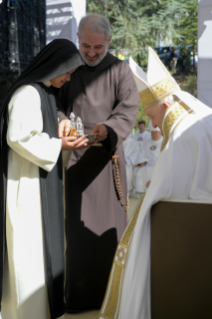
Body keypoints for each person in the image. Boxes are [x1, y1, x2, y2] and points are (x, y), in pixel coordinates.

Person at [99, 48, 212, 319]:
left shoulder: (182, 131)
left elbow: (164, 189)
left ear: (164, 104)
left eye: (151, 115)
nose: (154, 123)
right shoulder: (197, 117)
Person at [0, 39, 88, 319]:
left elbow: (41, 135)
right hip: (26, 191)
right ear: (56, 65)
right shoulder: (28, 93)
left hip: (38, 187)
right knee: (29, 259)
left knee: (40, 258)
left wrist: (60, 134)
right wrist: (60, 146)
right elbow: (18, 137)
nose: (68, 77)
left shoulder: (45, 93)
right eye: (68, 71)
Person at [57, 13, 138, 313]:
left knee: (109, 239)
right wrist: (63, 122)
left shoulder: (120, 71)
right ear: (78, 39)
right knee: (78, 242)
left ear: (108, 42)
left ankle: (111, 301)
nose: (91, 53)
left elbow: (128, 110)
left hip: (108, 163)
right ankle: (78, 301)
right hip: (76, 164)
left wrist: (108, 129)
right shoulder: (69, 69)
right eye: (86, 46)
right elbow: (55, 104)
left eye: (98, 48)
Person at [133, 121, 163, 197]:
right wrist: (142, 161)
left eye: (156, 133)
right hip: (148, 165)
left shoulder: (164, 142)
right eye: (153, 133)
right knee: (141, 171)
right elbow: (141, 153)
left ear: (160, 133)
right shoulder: (145, 143)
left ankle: (158, 193)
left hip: (160, 164)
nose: (154, 135)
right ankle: (141, 193)